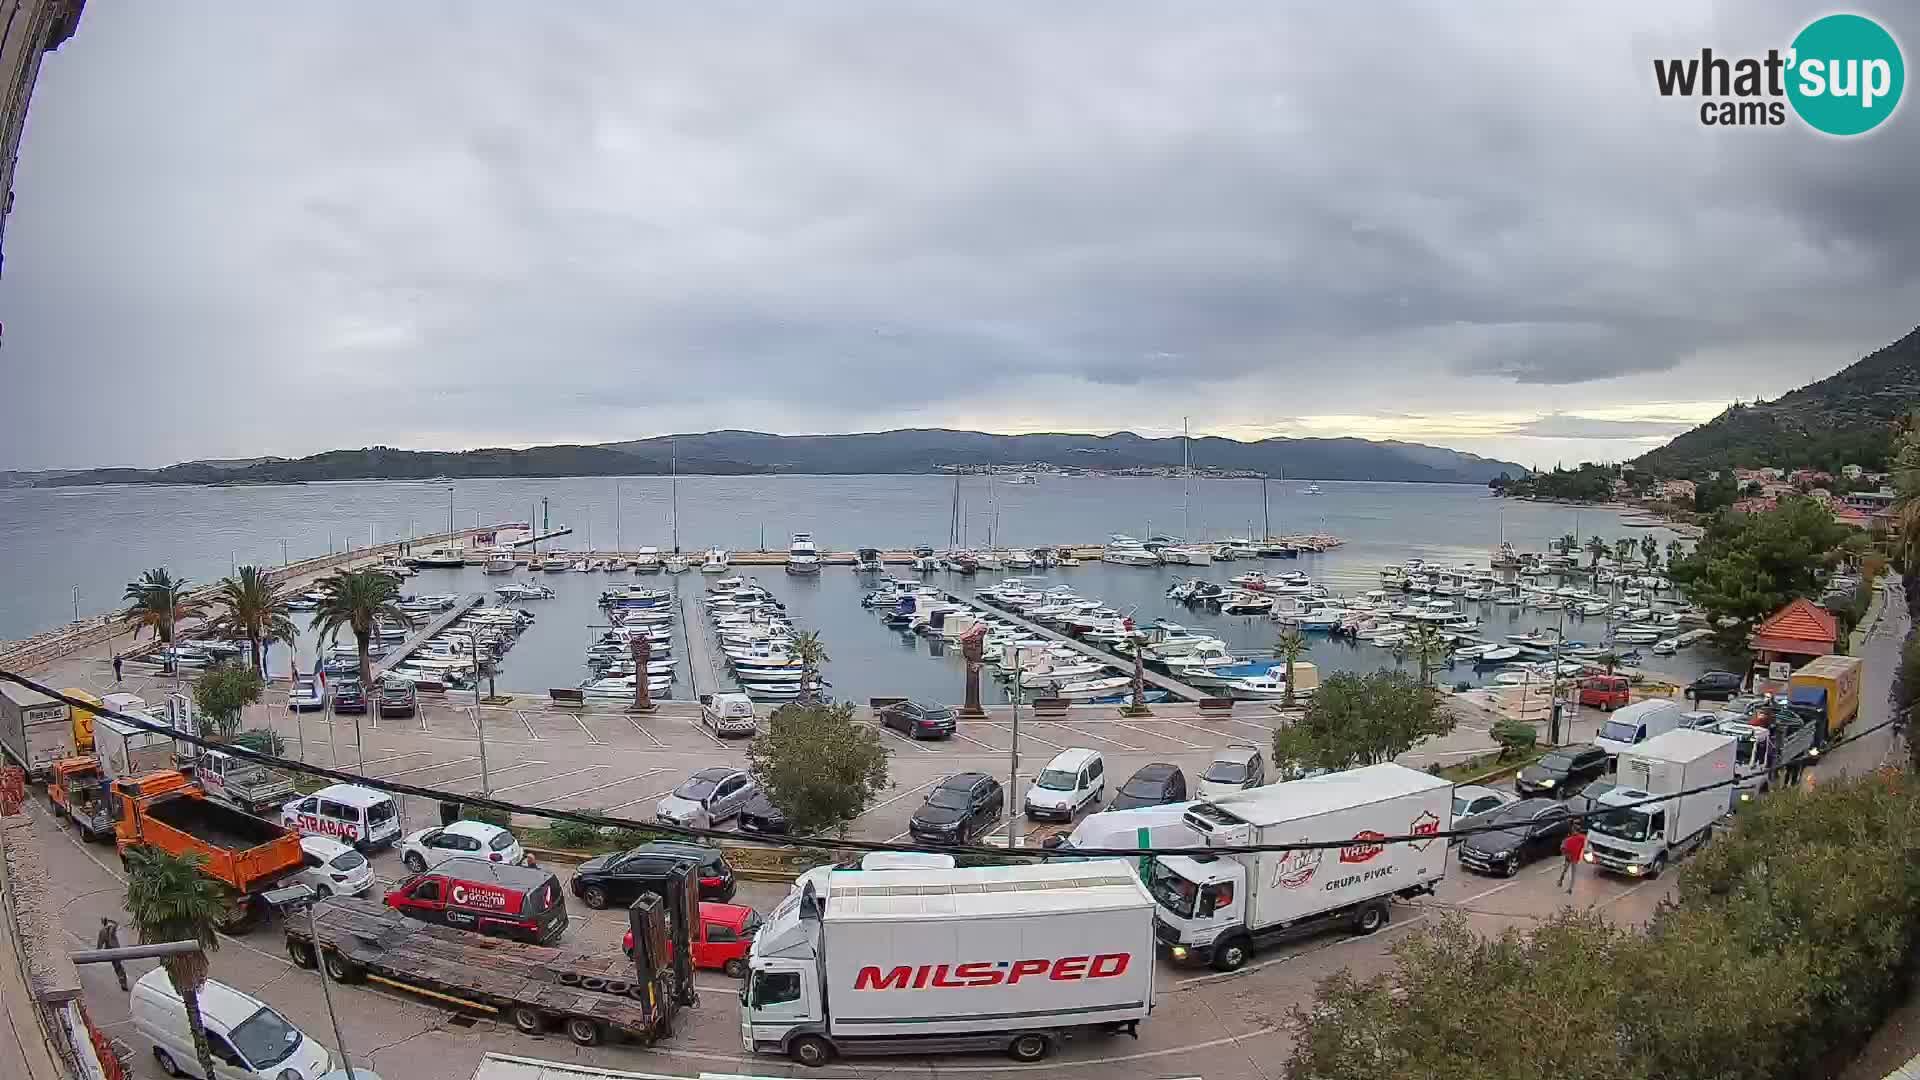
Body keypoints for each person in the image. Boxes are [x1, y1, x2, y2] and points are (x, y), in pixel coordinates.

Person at [97, 917, 127, 990]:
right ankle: (123, 981)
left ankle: (122, 981)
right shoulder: (112, 928)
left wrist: (98, 953)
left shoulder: (102, 931)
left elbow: (100, 944)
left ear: (102, 923)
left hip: (110, 950)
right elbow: (117, 923)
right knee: (118, 966)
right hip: (116, 949)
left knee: (117, 967)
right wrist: (111, 920)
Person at [1559, 829, 1587, 893]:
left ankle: (1563, 883)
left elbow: (1562, 848)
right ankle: (1568, 886)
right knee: (1572, 873)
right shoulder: (1581, 838)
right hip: (1572, 857)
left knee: (1566, 870)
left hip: (1571, 857)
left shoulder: (1569, 839)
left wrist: (1565, 853)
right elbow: (1583, 847)